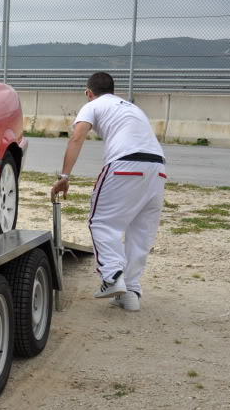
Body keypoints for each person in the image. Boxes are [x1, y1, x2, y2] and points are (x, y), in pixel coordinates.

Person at [50, 72, 167, 312]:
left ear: (88, 92)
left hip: (125, 165)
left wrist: (64, 177)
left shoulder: (93, 105)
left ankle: (112, 277)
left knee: (101, 222)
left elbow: (77, 137)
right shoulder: (132, 108)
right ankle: (131, 292)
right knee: (140, 232)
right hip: (158, 169)